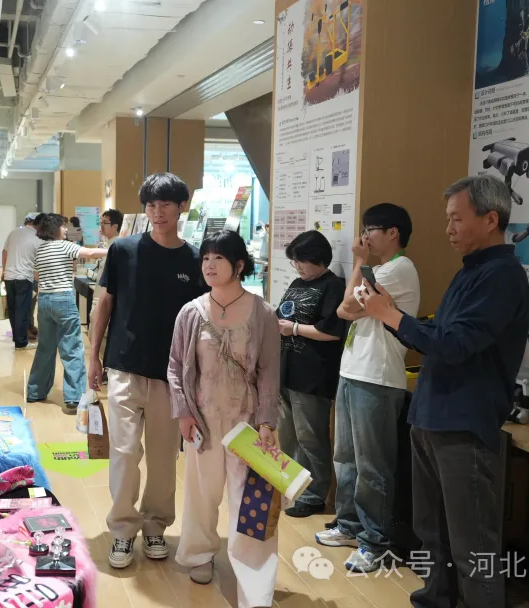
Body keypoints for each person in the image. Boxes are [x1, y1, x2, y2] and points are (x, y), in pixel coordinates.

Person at [360, 176, 529, 607]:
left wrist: (393, 317)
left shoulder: (502, 276)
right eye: (447, 218)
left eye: (457, 218)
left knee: (473, 547)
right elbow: (439, 334)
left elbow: (456, 344)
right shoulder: (470, 271)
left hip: (463, 423)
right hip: (431, 416)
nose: (448, 228)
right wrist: (391, 315)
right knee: (431, 533)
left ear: (490, 219)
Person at [88, 172, 206, 569]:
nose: (158, 212)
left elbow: (200, 321)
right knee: (123, 453)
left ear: (182, 207)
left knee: (162, 458)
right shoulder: (123, 250)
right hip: (124, 366)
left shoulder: (196, 260)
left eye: (166, 204)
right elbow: (105, 304)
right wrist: (93, 356)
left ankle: (156, 526)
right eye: (151, 205)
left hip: (172, 376)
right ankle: (122, 530)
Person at [167, 229, 280, 608]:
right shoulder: (191, 312)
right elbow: (176, 367)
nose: (209, 265)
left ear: (239, 264)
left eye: (218, 258)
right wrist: (183, 413)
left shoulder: (263, 313)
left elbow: (269, 371)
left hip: (248, 424)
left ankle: (255, 581)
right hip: (203, 422)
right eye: (205, 258)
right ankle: (199, 553)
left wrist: (267, 421)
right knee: (202, 493)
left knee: (252, 504)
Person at [315, 202, 420, 573]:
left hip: (378, 376)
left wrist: (359, 261)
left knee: (373, 467)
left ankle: (375, 542)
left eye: (370, 229)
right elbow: (345, 311)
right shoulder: (380, 271)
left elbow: (346, 305)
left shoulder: (398, 269)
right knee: (345, 458)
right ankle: (349, 526)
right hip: (353, 370)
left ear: (393, 233)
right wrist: (362, 268)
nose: (364, 237)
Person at [274, 231, 347, 519]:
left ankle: (315, 494)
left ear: (318, 258)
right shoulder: (297, 283)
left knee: (311, 437)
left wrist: (293, 329)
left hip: (313, 374)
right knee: (288, 434)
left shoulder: (333, 286)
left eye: (301, 261)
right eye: (294, 261)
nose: (298, 267)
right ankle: (294, 486)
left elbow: (332, 331)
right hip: (286, 368)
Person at [27, 214, 107, 411]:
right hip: (63, 299)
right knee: (71, 347)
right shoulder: (64, 246)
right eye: (63, 227)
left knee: (45, 347)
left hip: (45, 301)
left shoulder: (40, 249)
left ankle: (35, 391)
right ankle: (73, 397)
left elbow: (36, 275)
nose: (65, 229)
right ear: (55, 229)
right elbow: (89, 253)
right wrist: (113, 249)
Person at [2, 213, 42, 349]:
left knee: (13, 310)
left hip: (9, 277)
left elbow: (4, 252)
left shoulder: (14, 232)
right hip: (24, 278)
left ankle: (17, 337)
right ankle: (21, 342)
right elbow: (39, 262)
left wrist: (4, 271)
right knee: (22, 311)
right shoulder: (38, 238)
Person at [88, 209, 123, 356]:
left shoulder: (118, 246)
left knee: (99, 338)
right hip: (98, 297)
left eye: (105, 223)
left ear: (115, 226)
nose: (101, 226)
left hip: (103, 299)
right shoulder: (108, 245)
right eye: (101, 222)